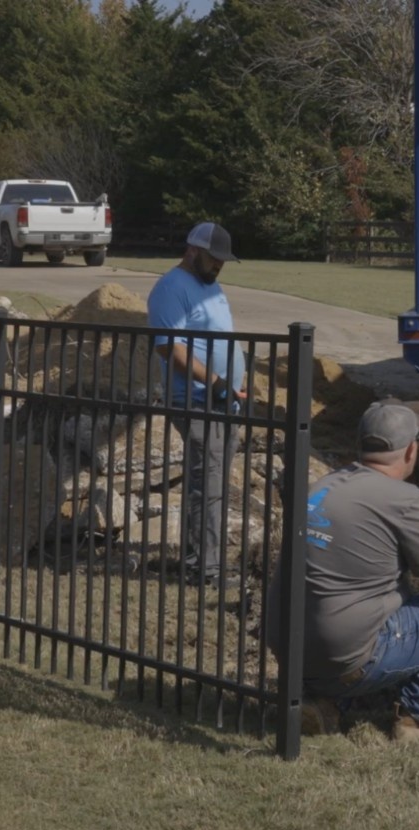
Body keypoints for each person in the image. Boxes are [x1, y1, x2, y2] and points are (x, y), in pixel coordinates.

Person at [268, 402, 419, 742]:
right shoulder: (403, 498)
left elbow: (364, 543)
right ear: (412, 450)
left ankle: (319, 702)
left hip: (292, 652)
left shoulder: (325, 485)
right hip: (345, 660)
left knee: (346, 606)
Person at [147, 222, 247, 588]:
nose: (219, 264)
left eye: (223, 260)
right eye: (214, 257)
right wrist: (215, 381)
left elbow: (222, 337)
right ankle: (204, 569)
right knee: (208, 485)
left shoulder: (210, 286)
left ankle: (205, 560)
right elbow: (167, 346)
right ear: (193, 250)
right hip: (196, 399)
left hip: (223, 400)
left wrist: (237, 380)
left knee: (214, 483)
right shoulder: (171, 288)